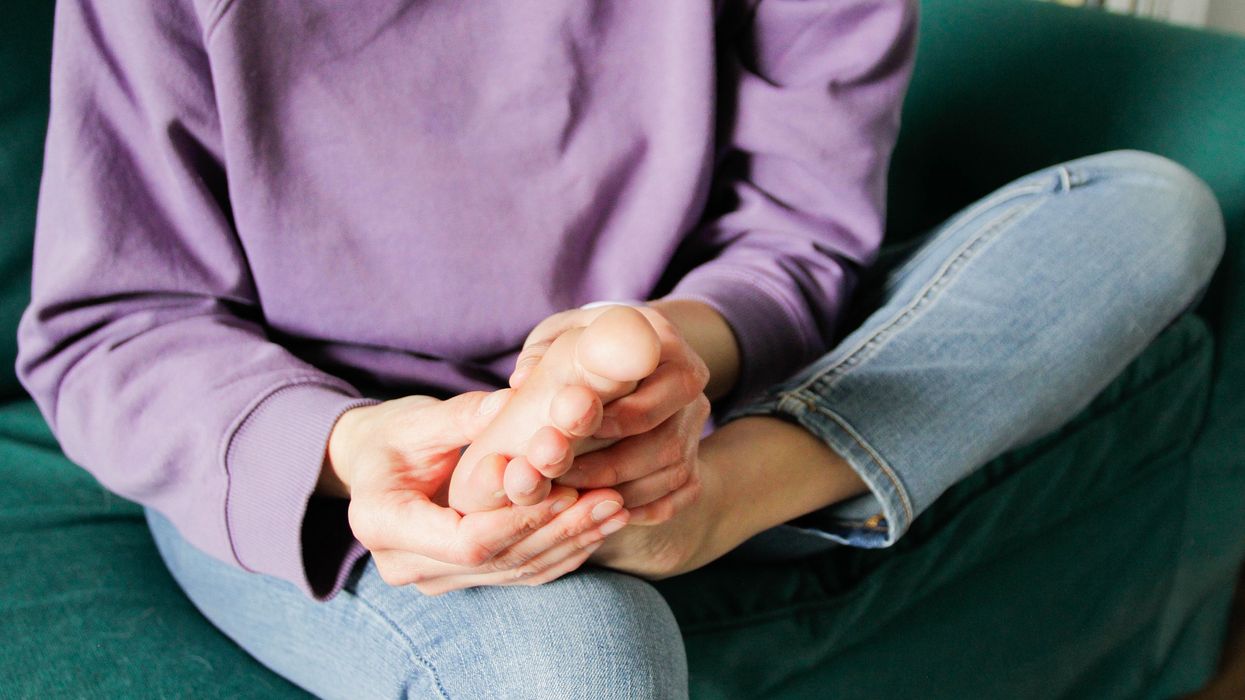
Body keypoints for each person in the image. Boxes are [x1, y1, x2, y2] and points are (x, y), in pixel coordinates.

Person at [15, 1, 1224, 698]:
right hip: (351, 466)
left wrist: (669, 350)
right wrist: (354, 448)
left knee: (1143, 211)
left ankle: (727, 499)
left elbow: (797, 235)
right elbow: (112, 325)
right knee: (585, 654)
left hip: (690, 396)